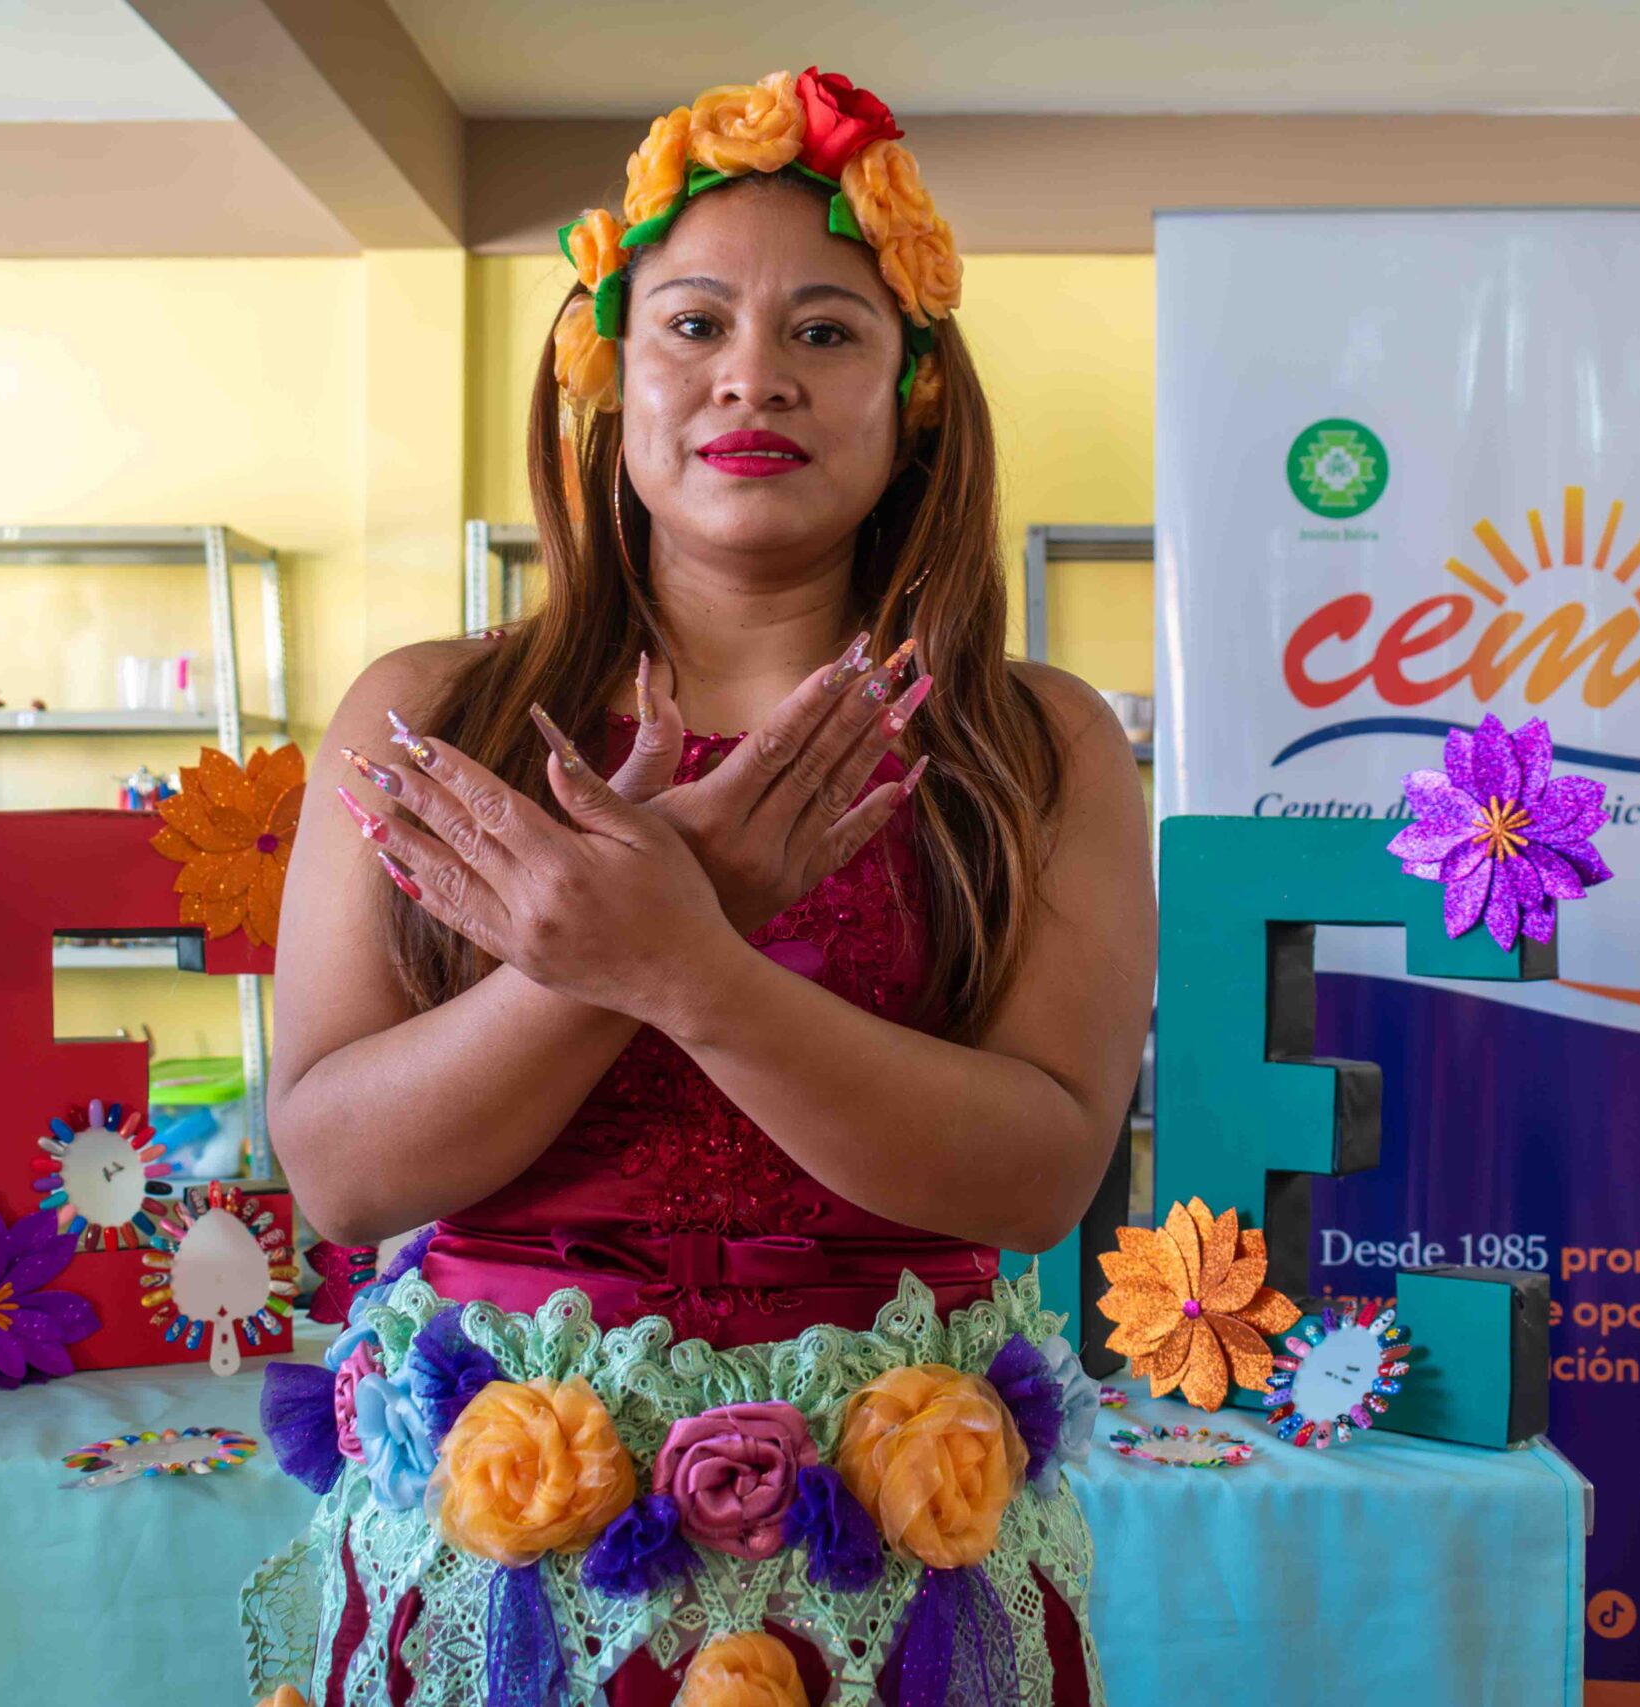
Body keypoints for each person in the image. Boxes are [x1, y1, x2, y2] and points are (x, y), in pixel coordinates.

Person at [246, 67, 1154, 1707]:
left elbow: (1038, 1178)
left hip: (897, 1568)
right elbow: (342, 1174)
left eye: (825, 330)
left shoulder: (1038, 744)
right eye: (693, 324)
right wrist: (607, 952)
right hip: (499, 1563)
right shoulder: (429, 715)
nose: (754, 374)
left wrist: (695, 970)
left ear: (915, 396)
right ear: (611, 379)